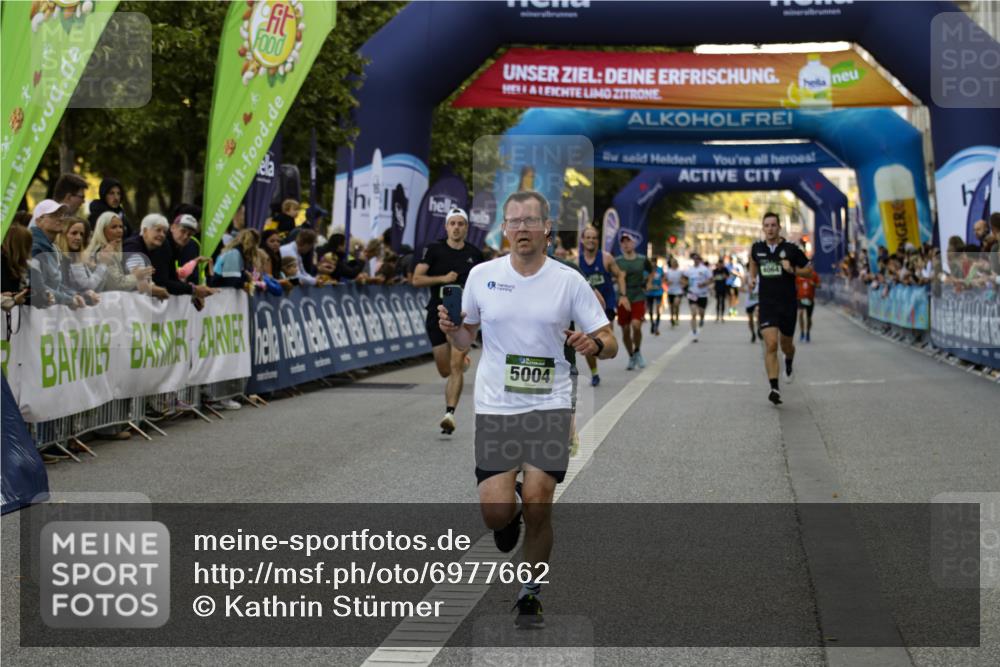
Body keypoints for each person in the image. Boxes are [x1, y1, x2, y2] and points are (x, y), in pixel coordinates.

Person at [437, 190, 618, 629]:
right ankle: (506, 516)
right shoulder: (482, 276)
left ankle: (530, 593)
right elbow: (467, 340)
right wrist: (453, 332)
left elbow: (609, 342)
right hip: (497, 405)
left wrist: (592, 343)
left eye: (530, 222)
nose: (521, 229)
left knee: (539, 501)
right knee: (496, 513)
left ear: (546, 229)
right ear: (505, 229)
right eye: (514, 222)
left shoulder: (569, 281)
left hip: (550, 403)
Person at [412, 207, 484, 434]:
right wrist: (443, 278)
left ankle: (449, 414)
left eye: (460, 223)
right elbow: (416, 279)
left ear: (466, 228)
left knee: (455, 367)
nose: (456, 227)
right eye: (452, 223)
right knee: (445, 369)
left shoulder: (475, 254)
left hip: (462, 315)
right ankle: (462, 362)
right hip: (436, 312)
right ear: (446, 227)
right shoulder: (434, 250)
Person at [748, 212, 811, 406]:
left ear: (779, 227)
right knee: (771, 344)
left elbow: (808, 270)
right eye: (766, 225)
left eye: (773, 225)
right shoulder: (757, 248)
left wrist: (793, 270)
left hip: (788, 304)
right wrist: (752, 278)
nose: (770, 229)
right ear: (763, 228)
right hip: (767, 304)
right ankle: (774, 387)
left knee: (785, 345)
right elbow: (753, 262)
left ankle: (789, 361)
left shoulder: (791, 249)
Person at [577, 224, 627, 386]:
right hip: (587, 308)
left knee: (604, 339)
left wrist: (623, 295)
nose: (591, 240)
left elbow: (619, 275)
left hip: (607, 306)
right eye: (588, 237)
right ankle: (594, 373)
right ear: (582, 240)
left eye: (594, 238)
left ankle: (604, 349)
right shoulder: (575, 262)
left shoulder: (606, 258)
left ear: (598, 241)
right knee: (588, 341)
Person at [124, 214, 214, 300]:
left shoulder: (163, 246)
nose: (162, 235)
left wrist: (193, 290)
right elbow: (144, 282)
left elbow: (170, 278)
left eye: (164, 232)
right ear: (145, 231)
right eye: (158, 230)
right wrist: (193, 290)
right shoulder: (133, 246)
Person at [30, 200, 85, 308]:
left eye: (61, 214)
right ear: (38, 220)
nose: (60, 218)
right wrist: (69, 300)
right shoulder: (34, 247)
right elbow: (39, 288)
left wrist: (75, 295)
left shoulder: (51, 248)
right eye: (54, 215)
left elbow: (55, 285)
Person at [86, 212, 154, 292]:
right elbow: (116, 285)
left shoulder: (115, 252)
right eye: (114, 227)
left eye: (121, 227)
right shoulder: (103, 252)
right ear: (102, 230)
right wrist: (136, 276)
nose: (119, 231)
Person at [615, 231, 653, 369]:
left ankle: (637, 351)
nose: (626, 244)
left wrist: (649, 282)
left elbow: (652, 270)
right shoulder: (618, 261)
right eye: (623, 242)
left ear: (634, 243)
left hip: (638, 293)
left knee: (636, 325)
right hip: (623, 296)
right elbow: (612, 276)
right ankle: (631, 356)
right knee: (625, 329)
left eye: (628, 241)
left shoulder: (642, 259)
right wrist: (618, 277)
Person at [55, 218, 104, 303]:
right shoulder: (57, 257)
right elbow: (61, 287)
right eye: (74, 233)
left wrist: (87, 293)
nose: (78, 238)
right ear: (63, 234)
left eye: (81, 234)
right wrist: (103, 265)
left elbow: (91, 288)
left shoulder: (76, 256)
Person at [681, 253, 712, 342]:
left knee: (701, 312)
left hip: (702, 294)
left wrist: (704, 284)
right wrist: (685, 283)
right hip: (692, 294)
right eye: (694, 258)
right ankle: (694, 333)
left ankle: (702, 319)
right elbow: (683, 278)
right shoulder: (689, 270)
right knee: (693, 313)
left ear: (700, 260)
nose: (696, 260)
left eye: (697, 258)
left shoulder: (705, 269)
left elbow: (711, 279)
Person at [2, 224, 34, 310]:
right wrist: (13, 299)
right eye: (28, 245)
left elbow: (20, 295)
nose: (30, 249)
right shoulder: (3, 266)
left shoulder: (20, 266)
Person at [796, 263, 821, 342]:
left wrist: (814, 284)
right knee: (800, 314)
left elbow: (819, 285)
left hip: (810, 299)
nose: (809, 267)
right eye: (807, 265)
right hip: (800, 298)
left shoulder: (814, 275)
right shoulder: (799, 275)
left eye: (810, 265)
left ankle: (807, 333)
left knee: (808, 318)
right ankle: (802, 332)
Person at [645, 256, 665, 335]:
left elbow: (663, 279)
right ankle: (652, 323)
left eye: (654, 262)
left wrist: (660, 285)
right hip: (649, 293)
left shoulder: (660, 270)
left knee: (658, 309)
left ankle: (657, 326)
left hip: (658, 292)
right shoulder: (647, 271)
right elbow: (645, 281)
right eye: (652, 262)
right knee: (650, 310)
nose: (653, 264)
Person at [664, 257, 684, 328]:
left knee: (676, 304)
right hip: (670, 291)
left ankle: (677, 317)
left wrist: (682, 282)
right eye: (672, 263)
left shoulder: (680, 271)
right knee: (671, 306)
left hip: (678, 291)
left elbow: (684, 281)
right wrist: (667, 282)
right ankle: (672, 317)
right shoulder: (668, 271)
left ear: (676, 263)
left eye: (675, 262)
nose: (673, 264)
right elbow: (664, 281)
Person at [745, 277, 760, 343]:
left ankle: (759, 329)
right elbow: (741, 287)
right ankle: (753, 333)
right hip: (749, 300)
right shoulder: (747, 275)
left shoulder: (760, 274)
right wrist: (748, 288)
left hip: (758, 300)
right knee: (750, 319)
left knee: (758, 314)